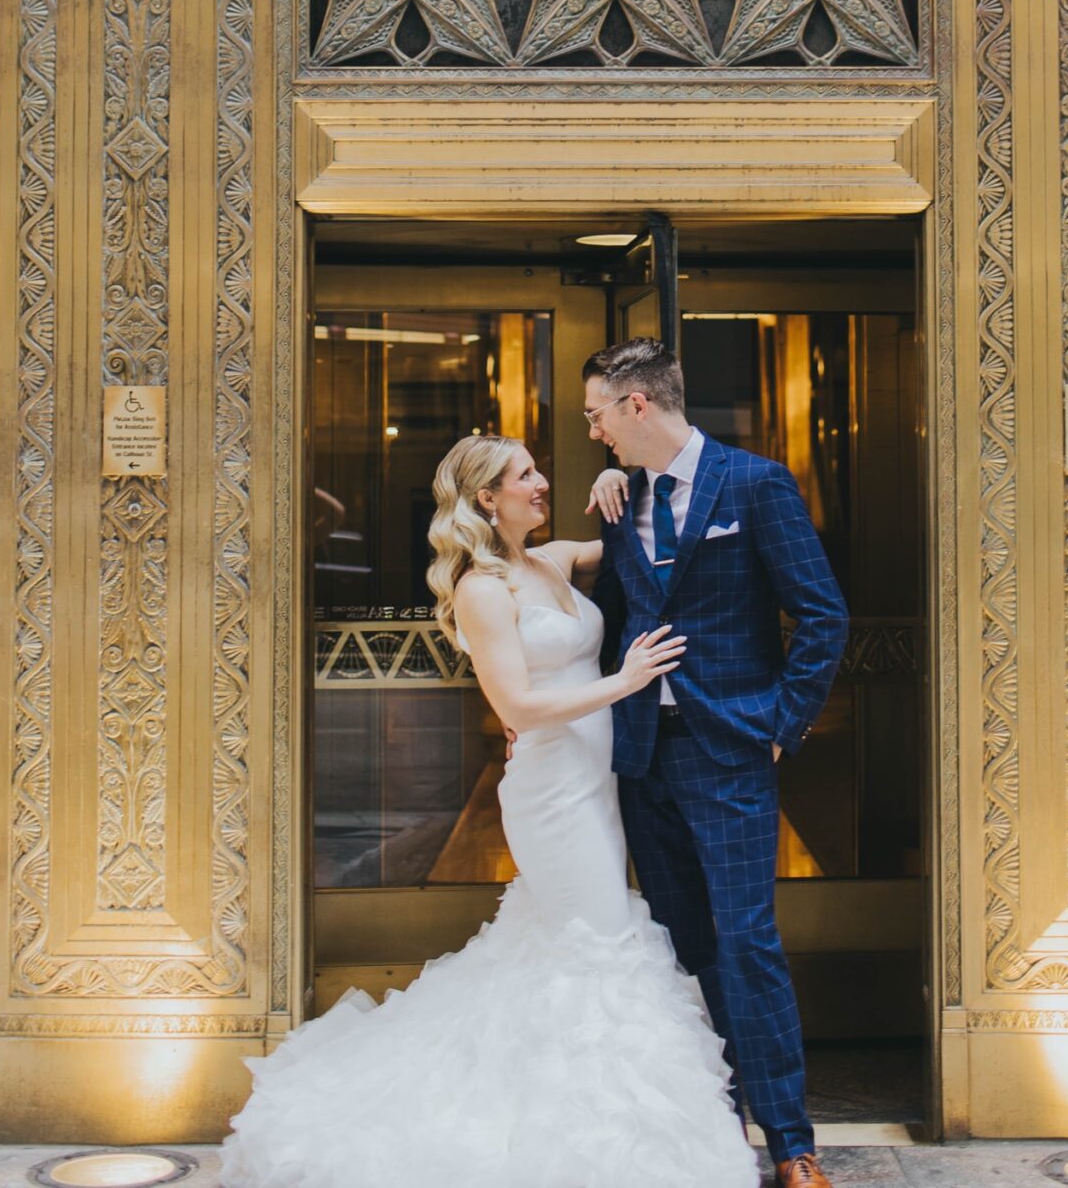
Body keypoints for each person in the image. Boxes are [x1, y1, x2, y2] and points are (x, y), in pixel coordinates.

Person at [221, 431, 756, 1188]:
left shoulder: (553, 559)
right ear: (486, 498)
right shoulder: (480, 587)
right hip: (552, 793)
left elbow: (637, 533)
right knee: (598, 946)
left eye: (539, 469)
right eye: (526, 475)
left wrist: (620, 476)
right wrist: (626, 680)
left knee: (571, 947)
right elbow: (519, 705)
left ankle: (574, 1120)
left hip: (597, 781)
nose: (542, 483)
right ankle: (605, 1144)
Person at [583, 339, 850, 1188]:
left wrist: (780, 724)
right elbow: (615, 620)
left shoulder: (754, 484)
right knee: (684, 946)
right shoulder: (619, 500)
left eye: (597, 415)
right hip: (643, 758)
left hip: (728, 750)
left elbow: (822, 616)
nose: (593, 434)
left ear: (637, 406)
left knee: (745, 943)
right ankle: (711, 1122)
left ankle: (790, 1140)